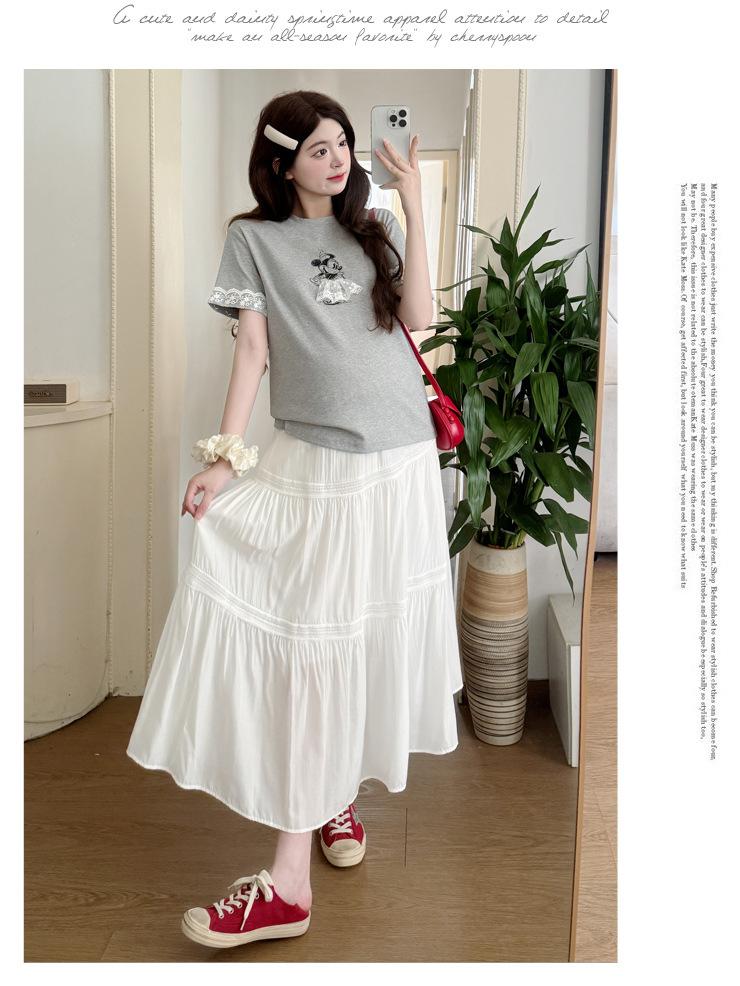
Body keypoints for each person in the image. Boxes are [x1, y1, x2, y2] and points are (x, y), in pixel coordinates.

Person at [126, 89, 463, 950]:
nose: (339, 158)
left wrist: (412, 200)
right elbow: (252, 349)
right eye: (319, 148)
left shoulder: (372, 230)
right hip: (316, 461)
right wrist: (225, 456)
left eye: (343, 143)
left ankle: (325, 803)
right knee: (312, 648)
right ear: (281, 161)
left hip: (398, 462)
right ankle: (293, 869)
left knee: (355, 637)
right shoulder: (254, 238)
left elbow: (419, 318)